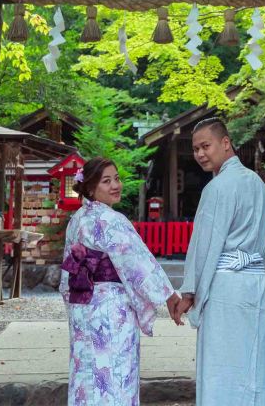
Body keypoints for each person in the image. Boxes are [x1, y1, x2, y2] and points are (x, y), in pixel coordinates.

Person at [59, 157, 181, 405]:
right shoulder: (112, 221)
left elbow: (66, 277)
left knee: (87, 374)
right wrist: (169, 296)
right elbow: (139, 264)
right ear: (91, 188)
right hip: (111, 310)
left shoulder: (76, 220)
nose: (116, 185)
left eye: (117, 178)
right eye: (106, 181)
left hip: (82, 306)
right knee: (114, 372)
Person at [174, 118, 265, 405]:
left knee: (221, 367)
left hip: (227, 287)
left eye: (206, 146)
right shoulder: (257, 183)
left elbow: (204, 245)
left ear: (226, 143)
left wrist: (190, 291)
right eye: (195, 149)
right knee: (252, 363)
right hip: (256, 282)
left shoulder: (217, 188)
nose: (200, 154)